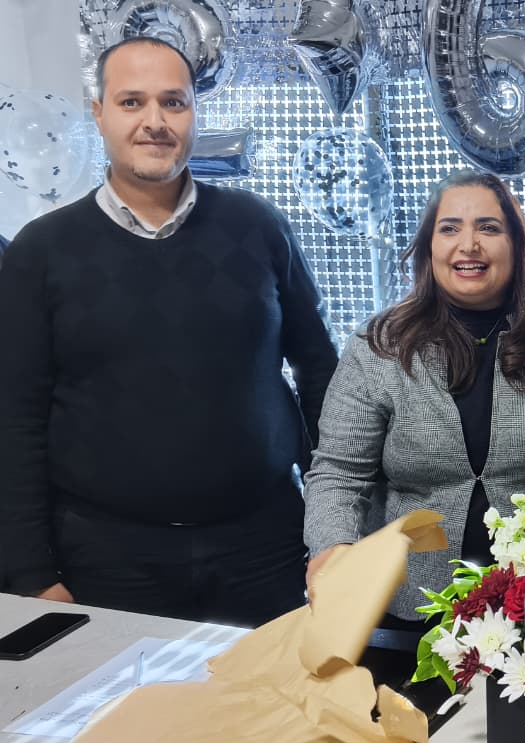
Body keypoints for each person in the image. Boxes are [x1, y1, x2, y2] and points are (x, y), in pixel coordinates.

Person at [0, 36, 338, 627]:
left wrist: (335, 530)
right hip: (107, 559)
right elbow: (15, 418)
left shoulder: (257, 227)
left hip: (266, 546)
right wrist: (31, 573)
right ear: (98, 113)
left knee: (282, 689)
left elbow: (320, 375)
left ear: (194, 113)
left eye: (173, 102)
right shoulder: (42, 252)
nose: (154, 121)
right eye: (131, 102)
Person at [303, 170, 525, 625]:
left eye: (488, 227)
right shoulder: (378, 346)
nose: (469, 244)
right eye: (450, 228)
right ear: (429, 247)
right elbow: (339, 472)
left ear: (517, 245)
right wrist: (333, 546)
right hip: (407, 606)